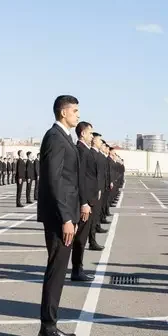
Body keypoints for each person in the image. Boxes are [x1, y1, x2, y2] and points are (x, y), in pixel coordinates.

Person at [37, 95, 83, 336]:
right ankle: (47, 329)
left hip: (66, 214)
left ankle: (51, 325)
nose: (77, 115)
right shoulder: (54, 137)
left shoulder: (64, 137)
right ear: (63, 113)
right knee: (55, 272)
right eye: (75, 111)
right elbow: (54, 181)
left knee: (58, 272)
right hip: (58, 217)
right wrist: (66, 217)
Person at [70, 121, 99, 282]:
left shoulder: (85, 150)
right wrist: (84, 203)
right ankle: (76, 270)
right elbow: (81, 179)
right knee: (80, 238)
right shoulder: (81, 150)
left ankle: (78, 268)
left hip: (89, 199)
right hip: (85, 201)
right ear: (82, 133)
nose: (91, 136)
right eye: (89, 133)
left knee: (82, 236)